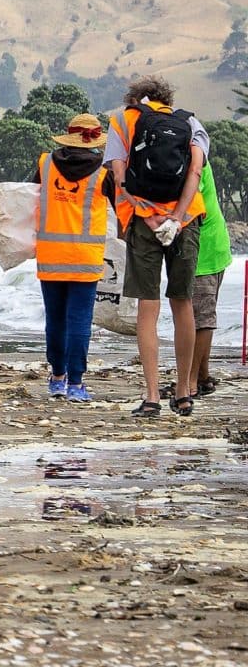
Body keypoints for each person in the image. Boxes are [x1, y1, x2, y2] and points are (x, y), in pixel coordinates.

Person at [103, 76, 208, 417]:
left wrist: (147, 216)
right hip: (186, 221)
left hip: (142, 222)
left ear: (134, 99)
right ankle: (183, 392)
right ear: (168, 98)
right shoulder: (190, 122)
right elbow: (194, 171)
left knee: (147, 308)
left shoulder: (122, 120)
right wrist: (176, 217)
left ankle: (151, 396)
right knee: (182, 302)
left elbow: (119, 177)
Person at [26, 115, 117, 403]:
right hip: (86, 258)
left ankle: (56, 379)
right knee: (80, 321)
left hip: (51, 255)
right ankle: (77, 384)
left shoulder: (45, 164)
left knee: (55, 320)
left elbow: (26, 199)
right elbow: (121, 211)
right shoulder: (104, 171)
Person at [189, 161, 231, 401]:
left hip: (204, 250)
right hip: (214, 246)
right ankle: (203, 376)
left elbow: (192, 205)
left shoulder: (192, 163)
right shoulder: (196, 154)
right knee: (203, 313)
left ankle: (191, 381)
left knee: (201, 318)